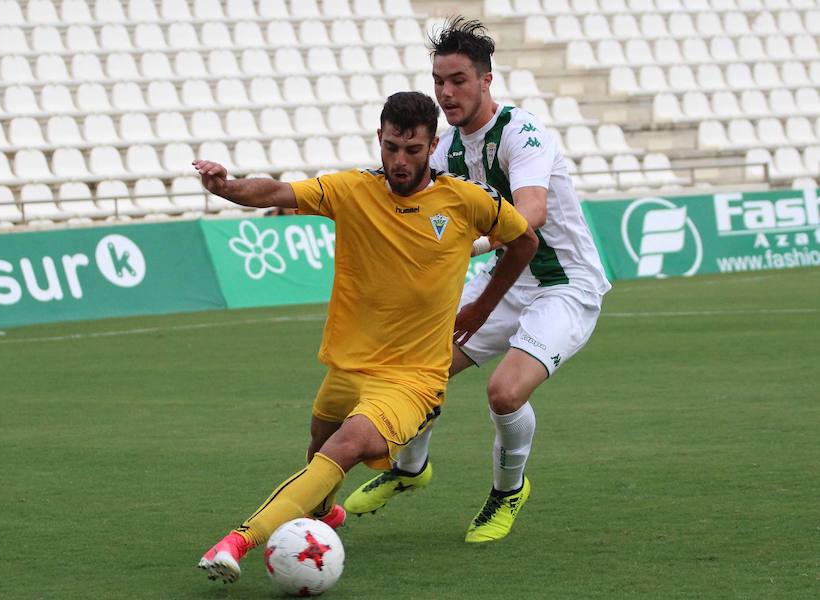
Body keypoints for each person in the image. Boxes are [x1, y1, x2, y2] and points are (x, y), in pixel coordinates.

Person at [193, 91, 539, 584]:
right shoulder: (352, 189)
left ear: (432, 145)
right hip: (348, 365)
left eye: (413, 150)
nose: (400, 161)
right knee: (318, 448)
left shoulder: (465, 200)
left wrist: (484, 304)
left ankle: (239, 540)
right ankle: (325, 515)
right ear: (380, 138)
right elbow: (276, 193)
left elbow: (525, 239)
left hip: (413, 379)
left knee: (349, 445)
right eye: (392, 147)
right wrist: (225, 187)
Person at [344, 18, 612, 544]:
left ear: (486, 81)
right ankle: (410, 468)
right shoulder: (444, 150)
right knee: (421, 368)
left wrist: (471, 245)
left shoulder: (522, 132)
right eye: (439, 81)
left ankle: (507, 492)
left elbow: (530, 214)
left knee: (504, 393)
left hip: (564, 285)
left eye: (459, 80)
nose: (446, 92)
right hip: (505, 277)